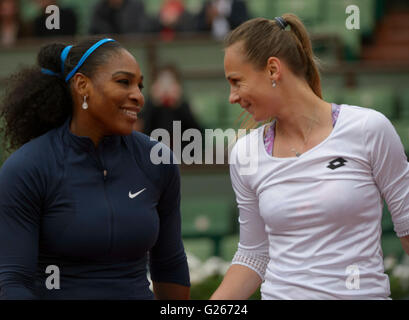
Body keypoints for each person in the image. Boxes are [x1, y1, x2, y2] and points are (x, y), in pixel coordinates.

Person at [211, 15, 409, 300]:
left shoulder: (369, 129)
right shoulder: (245, 153)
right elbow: (253, 255)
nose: (232, 96)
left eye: (236, 81)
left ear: (272, 69)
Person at [0, 36, 190, 299]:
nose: (138, 96)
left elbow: (169, 264)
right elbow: (13, 282)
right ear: (82, 85)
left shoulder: (159, 161)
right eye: (124, 82)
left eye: (140, 86)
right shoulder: (26, 168)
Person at [140, 65, 203, 152]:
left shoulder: (183, 105)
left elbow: (197, 134)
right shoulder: (150, 105)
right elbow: (143, 132)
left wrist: (178, 105)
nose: (166, 88)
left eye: (170, 82)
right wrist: (154, 103)